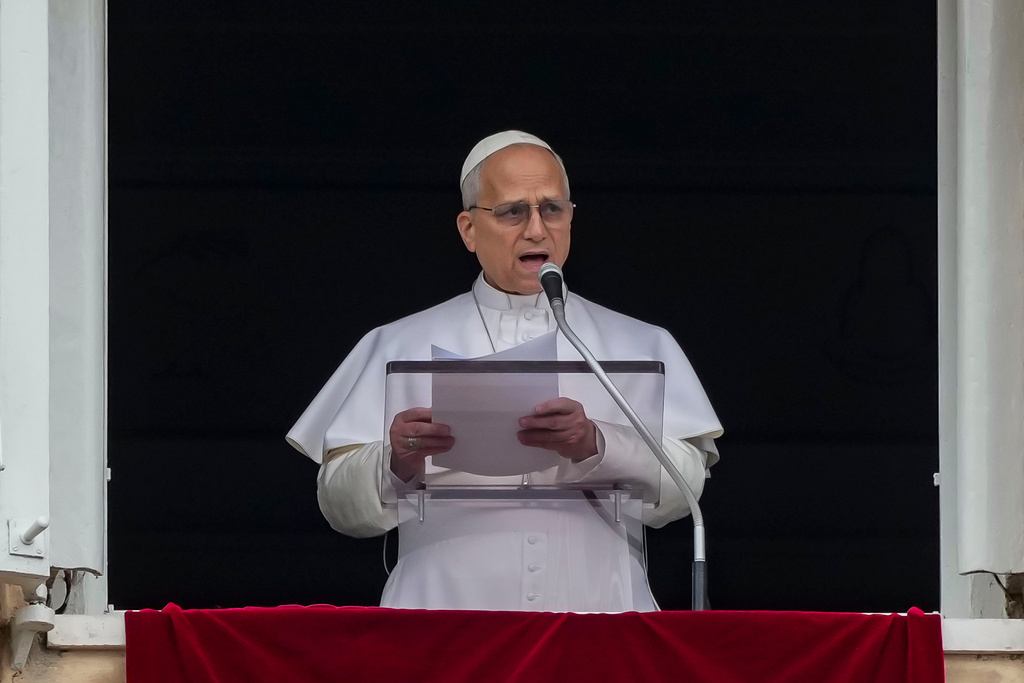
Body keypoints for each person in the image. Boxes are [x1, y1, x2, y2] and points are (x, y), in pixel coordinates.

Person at [287, 131, 722, 611]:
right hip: (441, 617)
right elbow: (338, 505)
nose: (537, 229)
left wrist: (596, 443)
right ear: (469, 229)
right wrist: (397, 461)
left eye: (552, 209)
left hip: (600, 611)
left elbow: (686, 491)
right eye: (513, 211)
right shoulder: (396, 343)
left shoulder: (641, 343)